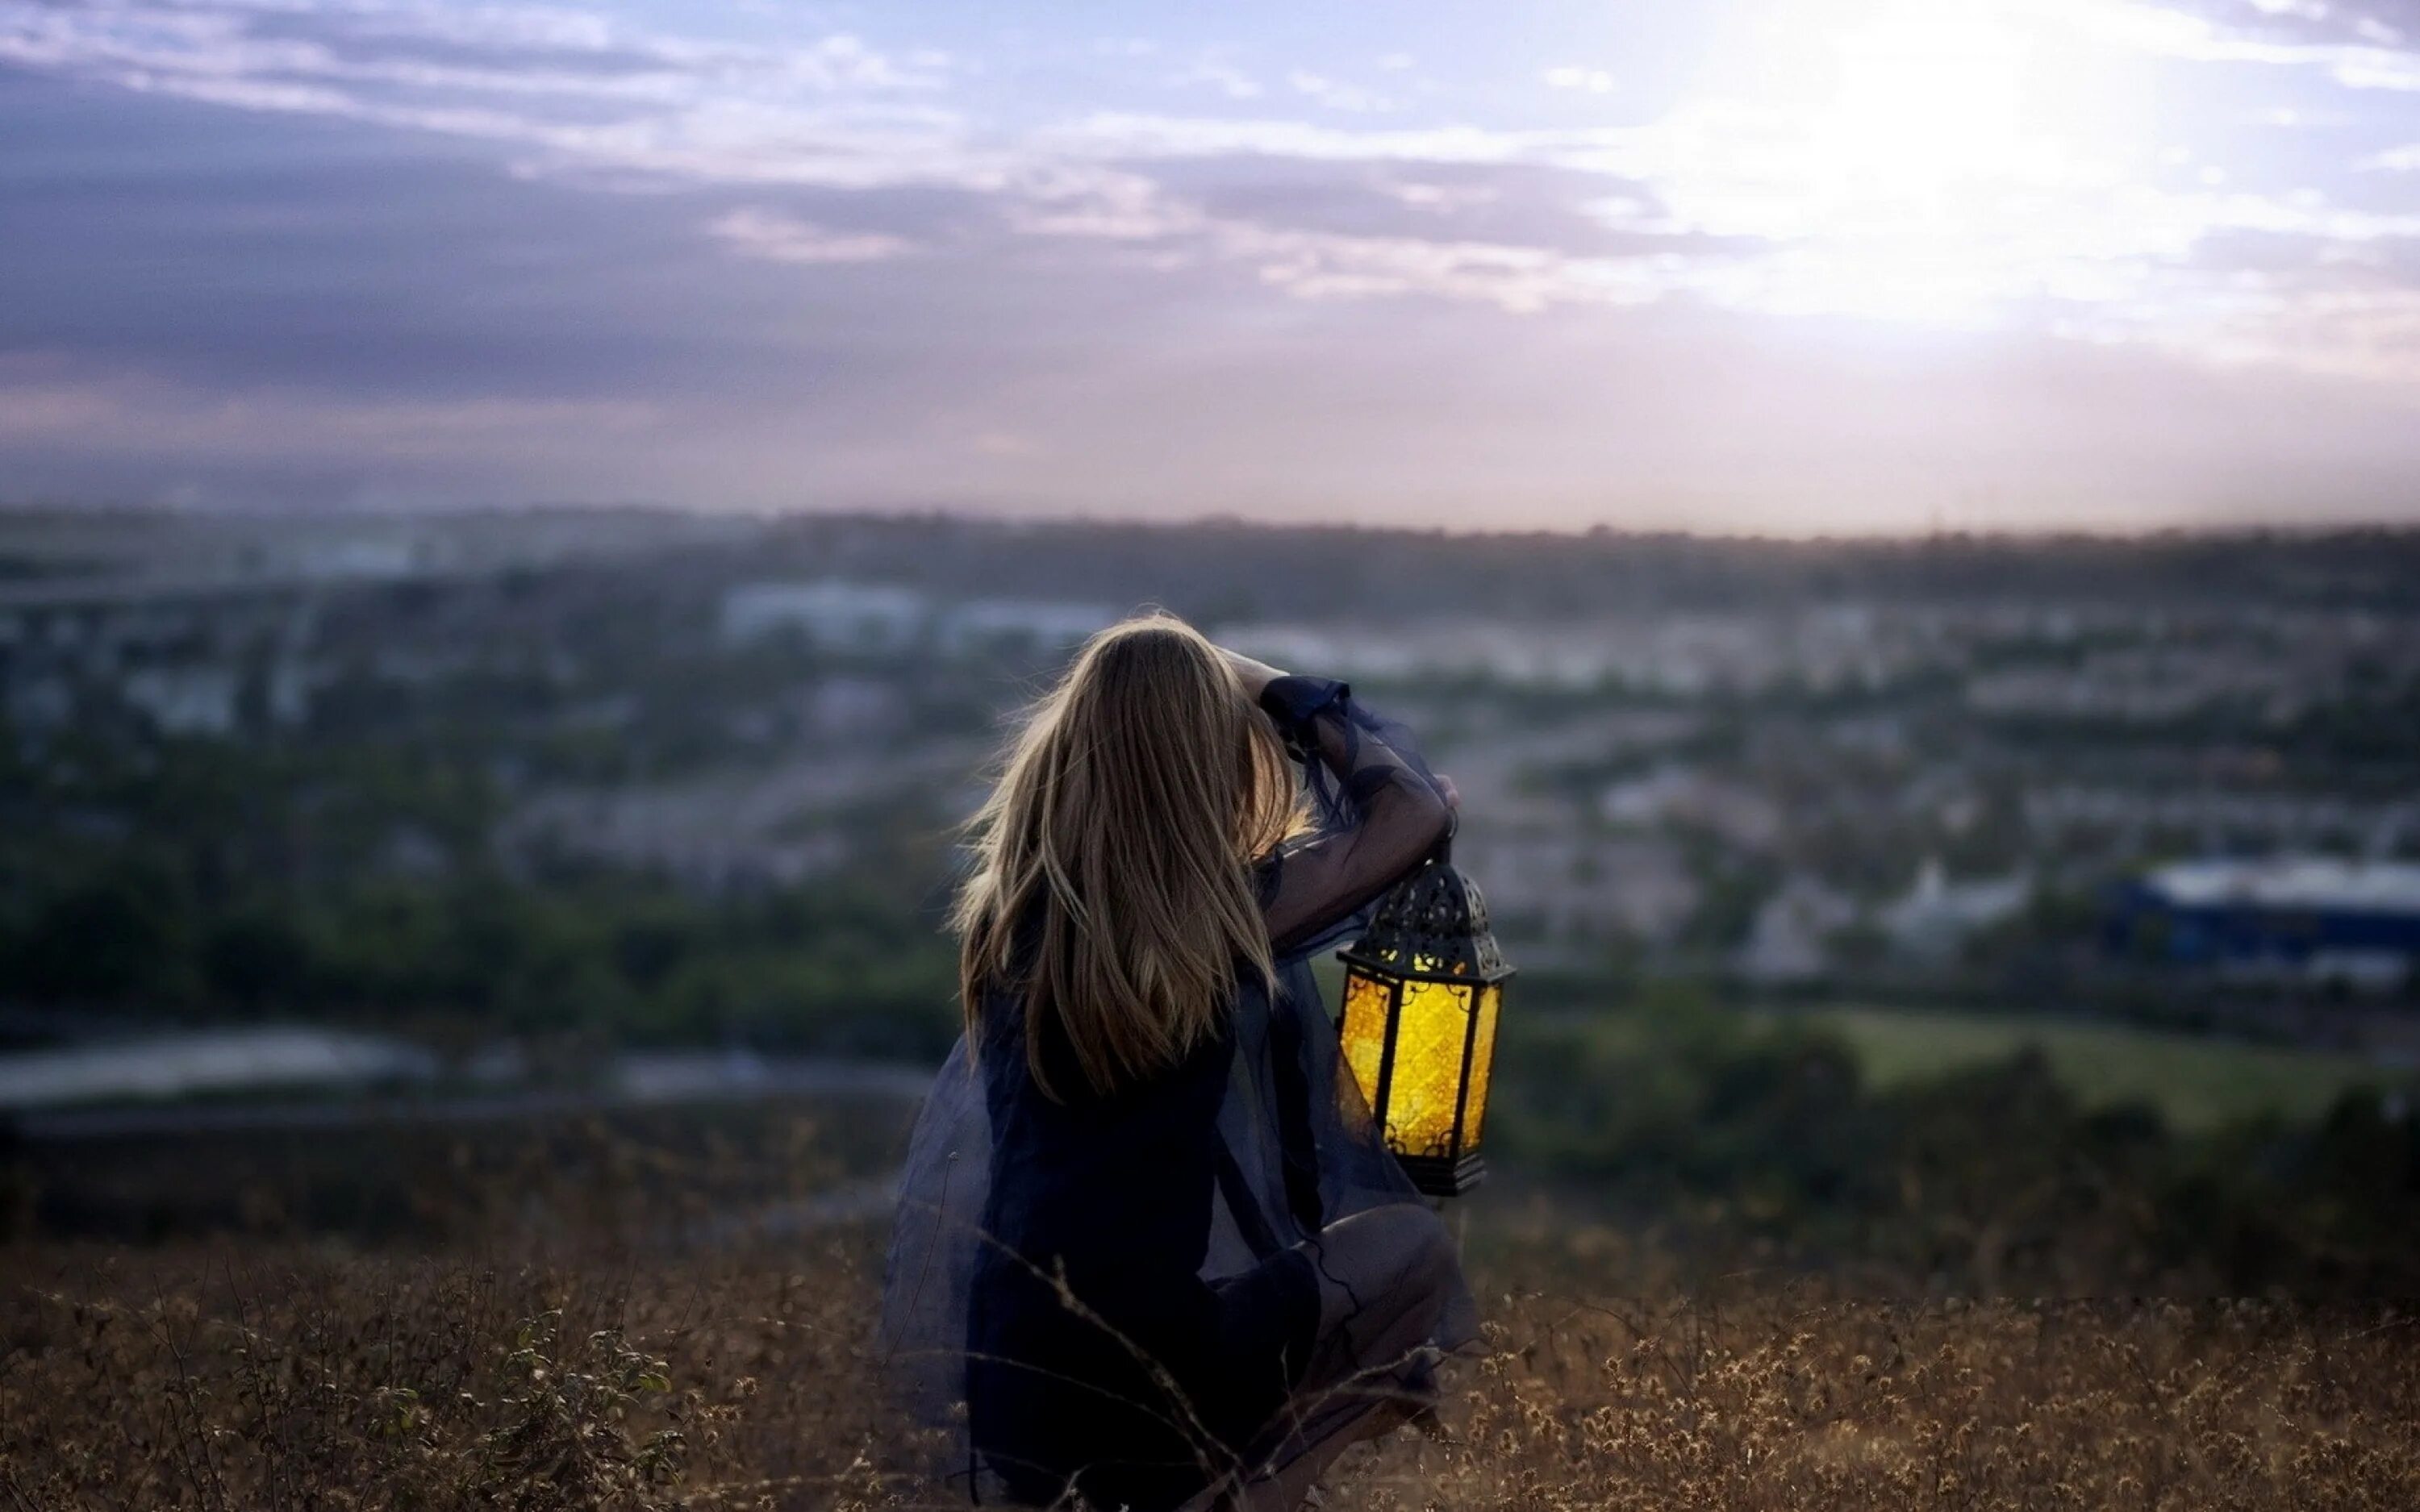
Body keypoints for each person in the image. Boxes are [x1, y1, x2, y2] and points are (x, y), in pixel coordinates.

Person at [881, 612, 1477, 1510]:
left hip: (1011, 1378)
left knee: (1253, 1310)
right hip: (1147, 1380)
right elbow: (1416, 810)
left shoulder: (1011, 921)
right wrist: (1257, 681)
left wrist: (1150, 668)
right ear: (1200, 768)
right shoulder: (1216, 926)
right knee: (1413, 1254)